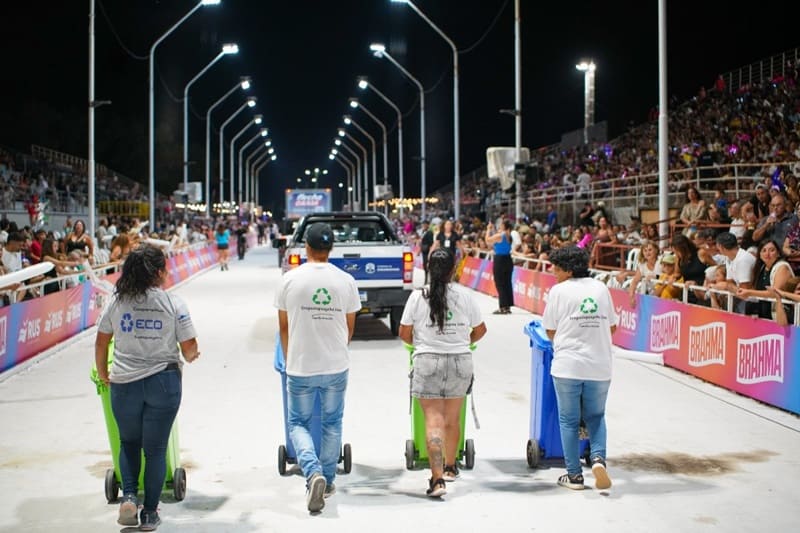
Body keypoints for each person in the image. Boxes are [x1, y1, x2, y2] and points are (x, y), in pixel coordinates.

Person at [94, 245, 200, 530]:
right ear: (158, 272)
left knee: (128, 443)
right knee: (156, 450)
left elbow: (102, 341)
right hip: (162, 384)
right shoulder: (174, 303)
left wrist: (104, 373)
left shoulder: (117, 302)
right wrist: (192, 355)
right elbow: (189, 348)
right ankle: (150, 513)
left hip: (124, 384)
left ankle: (129, 496)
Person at [274, 222, 361, 513]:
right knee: (332, 422)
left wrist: (291, 358)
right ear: (331, 248)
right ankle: (329, 479)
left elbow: (283, 327)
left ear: (306, 247)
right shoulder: (346, 281)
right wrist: (336, 351)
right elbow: (349, 327)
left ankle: (312, 473)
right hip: (336, 365)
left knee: (298, 423)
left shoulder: (289, 280)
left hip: (301, 365)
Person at [398, 248, 487, 498]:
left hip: (427, 361)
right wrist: (462, 342)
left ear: (429, 268)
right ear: (453, 269)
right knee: (452, 419)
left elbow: (404, 333)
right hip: (460, 361)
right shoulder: (465, 296)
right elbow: (480, 330)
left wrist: (423, 345)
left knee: (433, 421)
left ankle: (437, 480)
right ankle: (450, 466)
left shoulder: (417, 296)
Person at [541, 246, 618, 491]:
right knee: (596, 416)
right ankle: (598, 459)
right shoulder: (601, 288)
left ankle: (574, 476)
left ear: (569, 270)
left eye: (557, 268)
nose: (554, 273)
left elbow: (549, 329)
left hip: (568, 366)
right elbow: (612, 327)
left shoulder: (558, 291)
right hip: (599, 366)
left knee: (568, 420)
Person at [485, 220, 514, 314]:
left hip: (500, 260)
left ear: (504, 226)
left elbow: (487, 240)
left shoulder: (500, 235)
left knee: (500, 283)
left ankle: (503, 307)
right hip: (508, 259)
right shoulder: (509, 236)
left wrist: (488, 229)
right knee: (507, 283)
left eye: (501, 225)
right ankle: (508, 306)